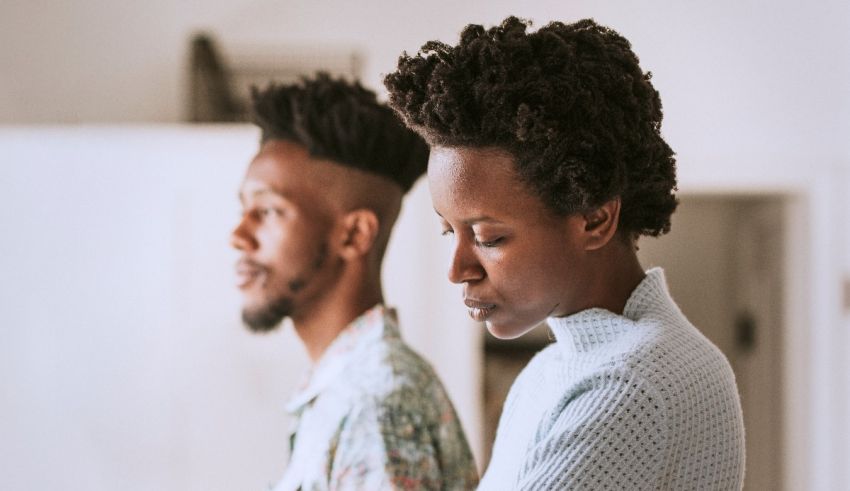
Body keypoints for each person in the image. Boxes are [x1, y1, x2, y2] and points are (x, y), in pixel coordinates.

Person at [385, 17, 745, 490]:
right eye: (447, 230)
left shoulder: (632, 384)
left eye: (488, 237)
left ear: (594, 219)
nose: (458, 270)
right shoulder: (551, 372)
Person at [231, 73, 478, 491]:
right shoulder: (349, 387)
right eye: (244, 210)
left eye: (268, 211)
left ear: (355, 235)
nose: (238, 236)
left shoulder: (375, 404)